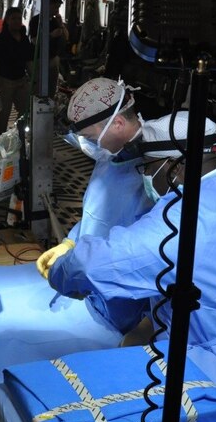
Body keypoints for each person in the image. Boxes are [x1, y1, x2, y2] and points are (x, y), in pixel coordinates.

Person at [47, 112, 216, 422]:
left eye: (147, 169)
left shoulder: (181, 223)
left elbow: (95, 264)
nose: (145, 178)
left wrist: (60, 267)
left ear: (173, 167)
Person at [36, 77, 153, 313]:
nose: (88, 144)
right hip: (93, 284)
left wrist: (84, 267)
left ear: (118, 123)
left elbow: (142, 251)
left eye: (90, 138)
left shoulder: (154, 173)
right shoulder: (111, 156)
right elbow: (99, 214)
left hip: (125, 296)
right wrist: (73, 241)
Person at [0, 7, 33, 136]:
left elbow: (29, 60)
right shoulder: (1, 39)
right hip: (5, 81)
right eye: (13, 19)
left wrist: (34, 78)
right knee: (4, 113)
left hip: (21, 80)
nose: (17, 21)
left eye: (19, 18)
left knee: (25, 110)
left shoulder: (24, 39)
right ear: (7, 20)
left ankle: (18, 134)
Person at [29, 0, 68, 97]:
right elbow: (34, 40)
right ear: (47, 6)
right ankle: (36, 108)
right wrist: (51, 35)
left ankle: (49, 106)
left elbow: (66, 37)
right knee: (38, 87)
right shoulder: (36, 21)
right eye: (55, 7)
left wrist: (61, 25)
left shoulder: (56, 21)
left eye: (58, 7)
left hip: (53, 58)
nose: (57, 10)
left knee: (52, 87)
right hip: (39, 59)